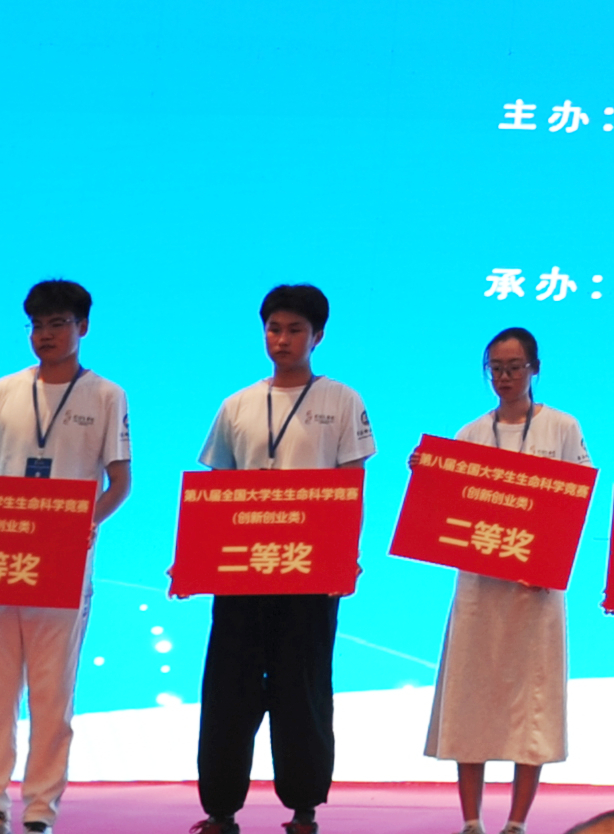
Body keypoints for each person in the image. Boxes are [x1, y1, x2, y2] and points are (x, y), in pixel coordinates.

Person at [192, 285, 375, 834]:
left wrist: (345, 558)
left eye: (295, 330)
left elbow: (352, 486)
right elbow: (217, 492)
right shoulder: (237, 404)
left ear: (318, 336)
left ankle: (303, 808)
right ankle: (220, 809)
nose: (283, 339)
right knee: (229, 688)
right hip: (243, 571)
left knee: (303, 687)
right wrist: (199, 561)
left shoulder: (342, 400)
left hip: (309, 570)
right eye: (274, 328)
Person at [0, 281, 134, 834]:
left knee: (52, 693)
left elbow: (120, 482)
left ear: (83, 327)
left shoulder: (106, 395)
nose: (45, 335)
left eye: (58, 323)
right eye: (37, 325)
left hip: (62, 565)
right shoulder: (4, 390)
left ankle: (40, 809)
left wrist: (85, 524)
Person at [429, 328, 591, 834]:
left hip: (534, 590)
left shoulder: (562, 427)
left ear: (534, 369)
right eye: (495, 368)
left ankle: (517, 822)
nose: (504, 377)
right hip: (480, 589)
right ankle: (471, 821)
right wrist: (430, 474)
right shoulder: (470, 433)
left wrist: (548, 561)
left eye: (514, 367)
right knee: (470, 698)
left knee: (532, 706)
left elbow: (577, 498)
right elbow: (447, 507)